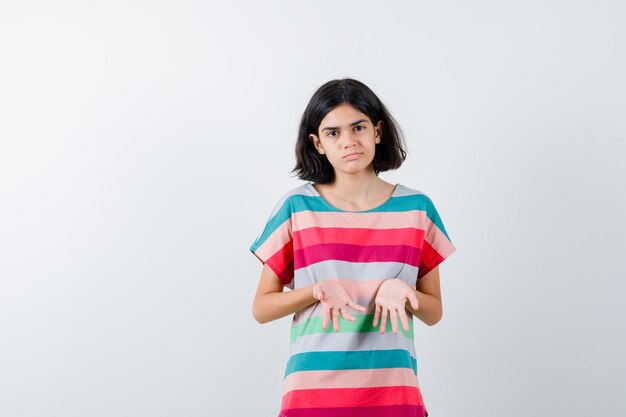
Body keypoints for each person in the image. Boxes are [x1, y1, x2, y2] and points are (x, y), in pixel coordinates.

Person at [250, 78, 456, 417]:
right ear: (317, 143)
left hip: (393, 392)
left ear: (377, 131)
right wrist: (315, 291)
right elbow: (262, 308)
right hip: (312, 395)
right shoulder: (297, 208)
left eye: (358, 127)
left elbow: (433, 313)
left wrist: (402, 289)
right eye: (333, 133)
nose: (348, 141)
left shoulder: (417, 209)